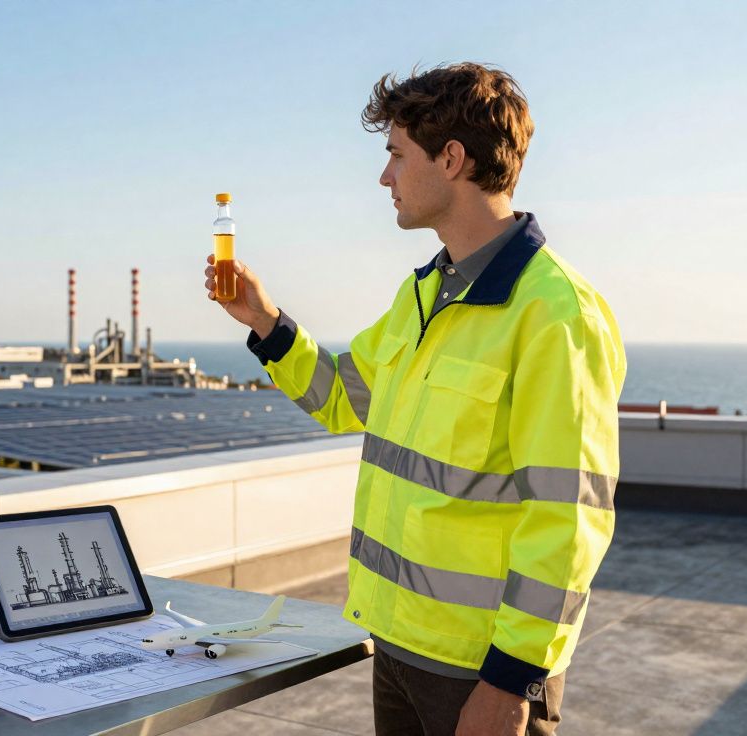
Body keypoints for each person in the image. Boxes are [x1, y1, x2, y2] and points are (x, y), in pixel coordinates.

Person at [203, 63, 625, 736]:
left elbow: (568, 521)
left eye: (397, 155)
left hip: (480, 673)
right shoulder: (424, 294)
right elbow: (344, 397)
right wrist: (265, 321)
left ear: (451, 159)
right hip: (398, 649)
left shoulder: (555, 314)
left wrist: (510, 683)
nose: (384, 177)